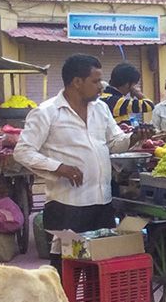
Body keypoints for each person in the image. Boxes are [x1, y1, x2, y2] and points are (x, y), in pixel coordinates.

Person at [14, 55, 152, 270]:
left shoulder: (101, 109)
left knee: (99, 270)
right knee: (67, 269)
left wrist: (134, 138)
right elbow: (22, 151)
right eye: (95, 81)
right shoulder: (46, 112)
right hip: (68, 207)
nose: (101, 87)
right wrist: (59, 168)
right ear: (77, 82)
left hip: (102, 203)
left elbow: (114, 143)